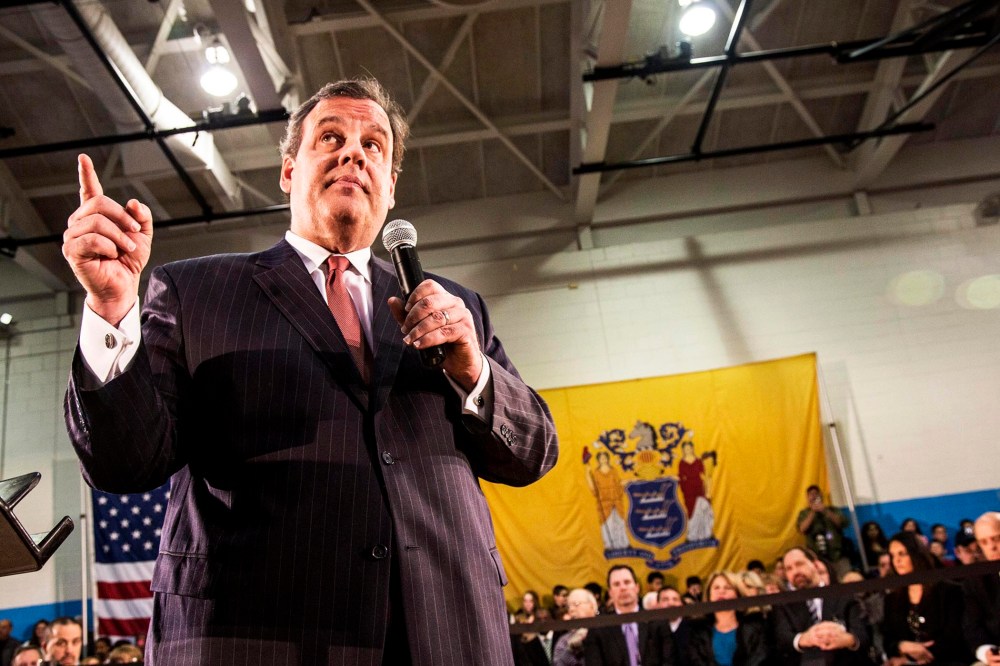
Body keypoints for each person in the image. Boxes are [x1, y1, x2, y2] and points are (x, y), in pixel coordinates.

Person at [61, 77, 558, 666]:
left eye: (374, 146)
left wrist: (474, 371)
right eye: (331, 137)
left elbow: (532, 454)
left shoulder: (455, 308)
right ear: (289, 171)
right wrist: (113, 309)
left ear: (391, 189)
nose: (354, 153)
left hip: (444, 632)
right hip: (255, 636)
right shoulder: (196, 291)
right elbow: (124, 461)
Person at [881, 531, 971, 665]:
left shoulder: (949, 591)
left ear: (916, 554)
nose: (896, 561)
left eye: (902, 554)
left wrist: (914, 657)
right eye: (893, 556)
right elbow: (888, 642)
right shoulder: (891, 599)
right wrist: (902, 646)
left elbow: (955, 637)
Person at [772, 547, 871, 665]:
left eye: (799, 564)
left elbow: (863, 635)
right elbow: (782, 639)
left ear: (815, 564)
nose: (795, 572)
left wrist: (847, 639)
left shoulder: (843, 594)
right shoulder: (784, 604)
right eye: (789, 569)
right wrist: (804, 639)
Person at [584, 564, 676, 665]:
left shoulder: (657, 622)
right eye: (616, 584)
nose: (623, 588)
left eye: (627, 582)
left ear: (637, 587)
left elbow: (669, 661)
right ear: (610, 592)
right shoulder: (599, 628)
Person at [684, 571, 770, 666]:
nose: (721, 591)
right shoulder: (698, 630)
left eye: (727, 587)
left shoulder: (755, 626)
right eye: (716, 588)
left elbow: (760, 659)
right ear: (709, 595)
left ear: (737, 594)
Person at [963, 511, 1000, 665]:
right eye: (983, 542)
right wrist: (986, 651)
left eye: (997, 538)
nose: (991, 547)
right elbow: (972, 624)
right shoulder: (976, 579)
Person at [797, 485, 850, 578]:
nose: (813, 496)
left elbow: (841, 523)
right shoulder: (804, 513)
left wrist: (825, 511)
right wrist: (813, 512)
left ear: (821, 495)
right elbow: (802, 529)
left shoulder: (833, 510)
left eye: (816, 494)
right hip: (816, 558)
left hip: (837, 555)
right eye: (811, 495)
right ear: (807, 497)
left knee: (845, 580)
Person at [553, 589, 599, 666]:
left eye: (576, 604)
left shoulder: (606, 632)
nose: (571, 609)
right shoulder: (564, 641)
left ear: (592, 606)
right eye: (569, 606)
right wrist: (570, 650)